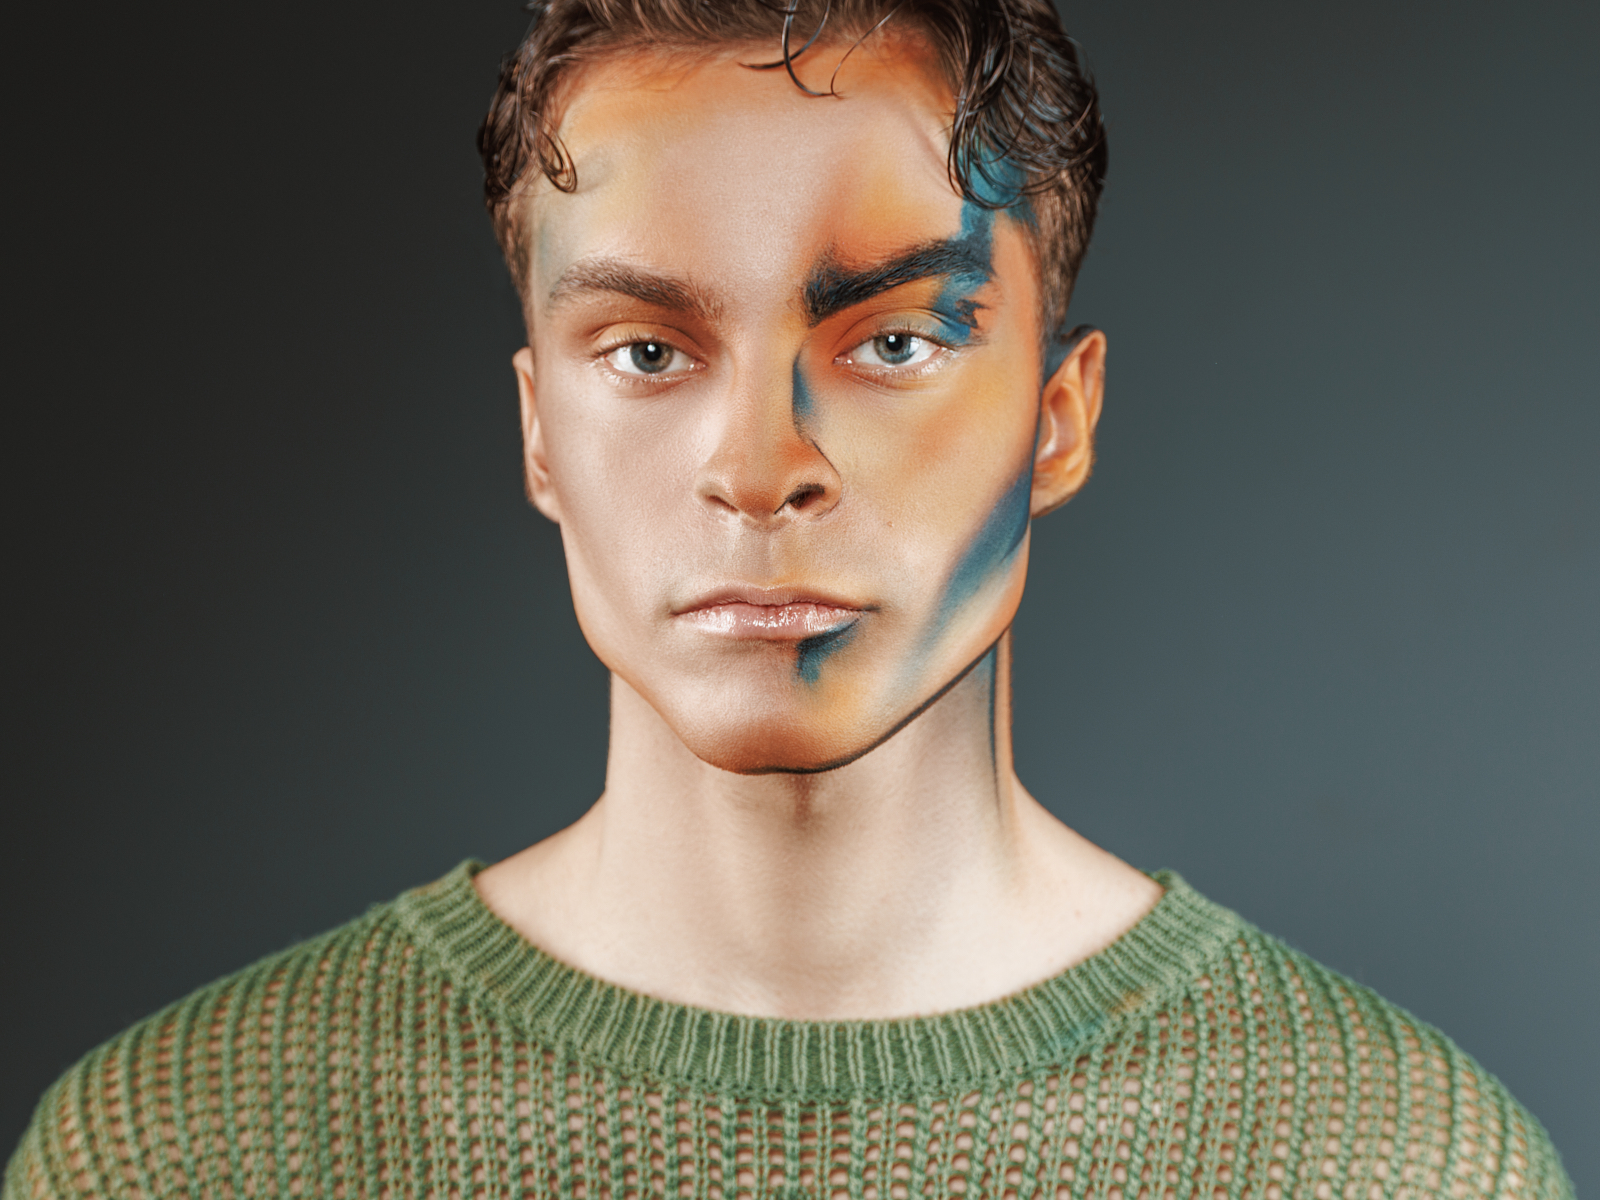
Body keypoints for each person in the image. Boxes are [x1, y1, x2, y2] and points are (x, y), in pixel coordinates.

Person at [4, 2, 1573, 1197]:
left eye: (894, 343)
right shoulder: (174, 1154)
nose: (759, 470)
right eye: (647, 351)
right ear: (540, 431)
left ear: (1058, 418)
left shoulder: (1399, 1163)